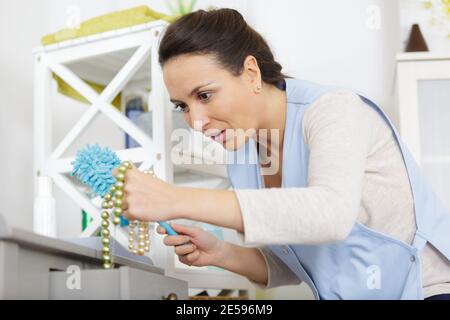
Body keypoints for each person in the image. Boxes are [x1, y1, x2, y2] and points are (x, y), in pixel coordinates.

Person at [113, 8, 450, 300]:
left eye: (204, 95)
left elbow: (329, 215)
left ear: (250, 73)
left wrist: (176, 199)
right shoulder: (243, 156)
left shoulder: (334, 110)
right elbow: (300, 262)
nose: (196, 122)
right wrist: (222, 253)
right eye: (182, 106)